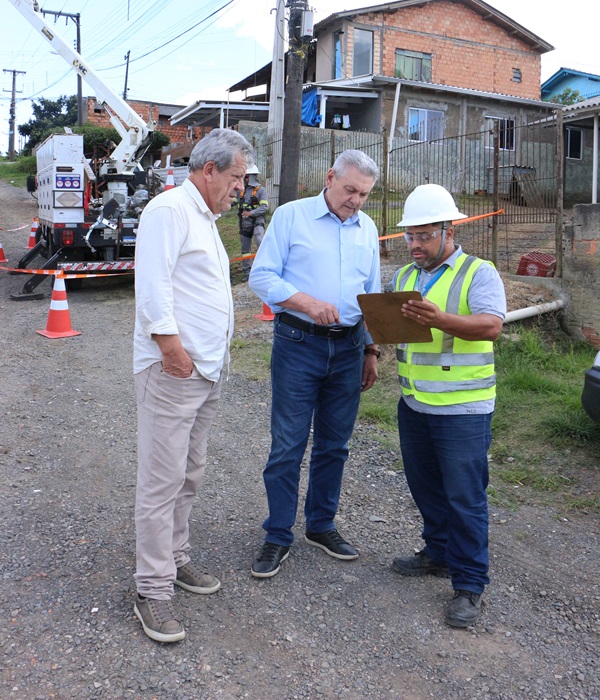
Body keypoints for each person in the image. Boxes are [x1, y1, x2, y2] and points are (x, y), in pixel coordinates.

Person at [132, 128, 253, 643]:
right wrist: (171, 350)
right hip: (175, 370)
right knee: (162, 480)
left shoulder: (203, 216)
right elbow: (153, 285)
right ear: (208, 170)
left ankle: (176, 558)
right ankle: (151, 589)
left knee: (190, 471)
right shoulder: (169, 211)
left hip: (204, 370)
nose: (240, 189)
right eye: (236, 178)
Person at [248, 149, 382, 578]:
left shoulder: (367, 229)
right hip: (298, 343)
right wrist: (305, 301)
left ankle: (320, 525)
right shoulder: (291, 217)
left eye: (363, 194)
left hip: (348, 349)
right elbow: (261, 276)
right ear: (329, 178)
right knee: (288, 444)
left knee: (335, 445)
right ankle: (278, 534)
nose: (356, 201)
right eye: (350, 190)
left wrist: (370, 350)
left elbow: (372, 297)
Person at [389, 184, 506, 628]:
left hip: (463, 410)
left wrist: (442, 320)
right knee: (426, 489)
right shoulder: (404, 278)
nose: (415, 245)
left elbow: (491, 326)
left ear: (448, 230)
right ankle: (438, 553)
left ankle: (470, 584)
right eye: (410, 237)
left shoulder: (479, 272)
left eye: (423, 236)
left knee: (465, 497)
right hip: (415, 404)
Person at [237, 164, 269, 279]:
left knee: (261, 243)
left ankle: (266, 269)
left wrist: (251, 213)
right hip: (244, 224)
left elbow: (264, 207)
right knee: (245, 250)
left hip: (257, 222)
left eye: (246, 176)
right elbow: (233, 202)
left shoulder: (261, 190)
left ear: (251, 177)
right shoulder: (241, 190)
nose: (244, 179)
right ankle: (247, 273)